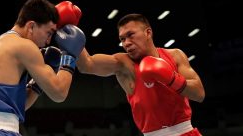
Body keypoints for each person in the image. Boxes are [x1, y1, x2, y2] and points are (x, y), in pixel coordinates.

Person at [0, 0, 85, 136]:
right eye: (49, 33)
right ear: (31, 26)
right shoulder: (25, 46)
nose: (48, 41)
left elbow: (17, 105)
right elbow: (59, 93)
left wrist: (38, 83)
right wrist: (70, 57)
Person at [74, 13, 205, 136]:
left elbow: (199, 94)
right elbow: (87, 65)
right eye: (122, 39)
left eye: (131, 35)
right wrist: (71, 29)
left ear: (148, 32)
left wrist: (171, 78)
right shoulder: (124, 63)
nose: (126, 43)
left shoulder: (175, 55)